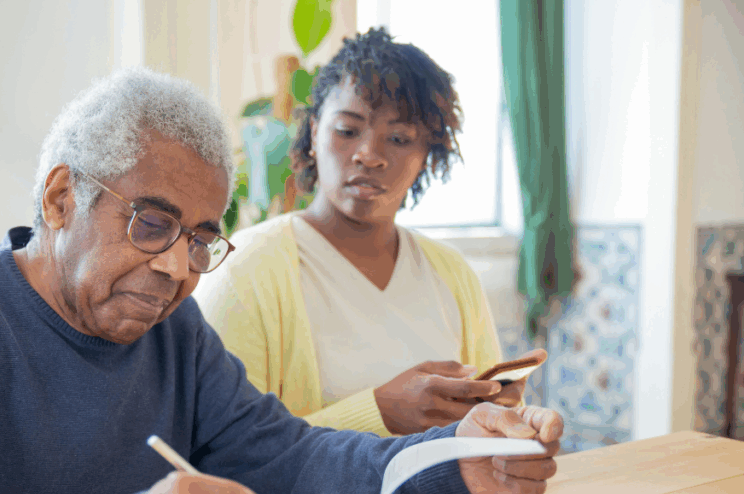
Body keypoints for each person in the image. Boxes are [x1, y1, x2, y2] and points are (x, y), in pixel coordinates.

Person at [0, 67, 562, 494]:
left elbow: (292, 455)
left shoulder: (174, 331)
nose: (176, 267)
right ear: (62, 197)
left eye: (201, 238)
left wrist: (456, 461)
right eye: (151, 222)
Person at [194, 28, 529, 438]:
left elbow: (485, 428)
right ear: (314, 132)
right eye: (347, 130)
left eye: (400, 139)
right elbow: (224, 445)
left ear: (428, 156)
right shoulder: (244, 269)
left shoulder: (452, 274)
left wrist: (503, 417)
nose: (369, 154)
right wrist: (379, 412)